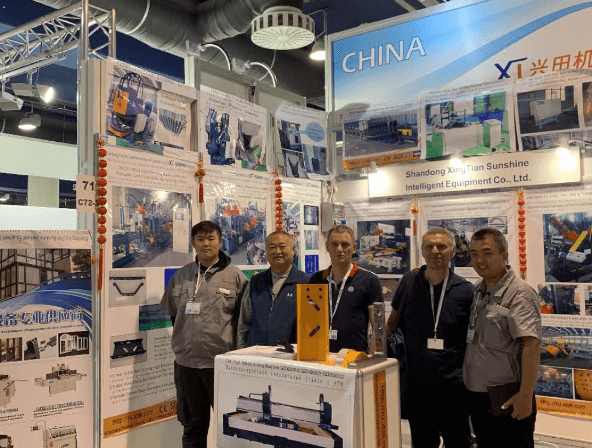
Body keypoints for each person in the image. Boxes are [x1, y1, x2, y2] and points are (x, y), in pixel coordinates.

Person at [160, 220, 248, 448]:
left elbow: (244, 322)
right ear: (193, 243)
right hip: (186, 365)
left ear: (220, 241)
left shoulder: (235, 277)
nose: (205, 244)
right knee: (192, 429)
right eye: (200, 239)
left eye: (211, 238)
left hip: (221, 365)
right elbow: (174, 314)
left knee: (232, 428)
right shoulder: (181, 276)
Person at [387, 227, 473, 448]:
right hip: (417, 388)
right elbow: (392, 322)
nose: (435, 251)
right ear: (422, 251)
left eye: (441, 246)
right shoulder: (409, 282)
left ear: (452, 251)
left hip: (453, 389)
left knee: (459, 443)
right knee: (423, 443)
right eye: (429, 246)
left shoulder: (465, 291)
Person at [465, 227, 542, 448]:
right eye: (474, 254)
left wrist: (525, 395)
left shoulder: (520, 293)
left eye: (487, 252)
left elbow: (531, 344)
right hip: (479, 395)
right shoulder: (477, 291)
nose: (479, 260)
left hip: (507, 395)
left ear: (504, 254)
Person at [309, 224, 382, 353]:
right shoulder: (316, 280)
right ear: (327, 247)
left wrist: (374, 357)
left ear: (354, 247)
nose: (339, 249)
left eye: (345, 244)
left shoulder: (369, 280)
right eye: (334, 244)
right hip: (320, 355)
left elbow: (378, 326)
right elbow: (310, 319)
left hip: (355, 357)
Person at [237, 230, 310, 348]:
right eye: (272, 247)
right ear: (266, 252)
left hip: (290, 355)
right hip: (255, 354)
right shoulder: (255, 282)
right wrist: (240, 352)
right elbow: (244, 323)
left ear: (293, 249)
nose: (277, 251)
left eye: (282, 246)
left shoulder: (306, 282)